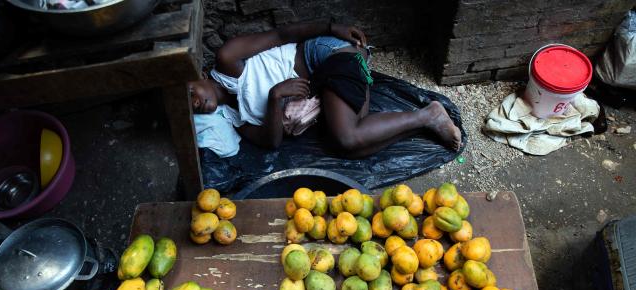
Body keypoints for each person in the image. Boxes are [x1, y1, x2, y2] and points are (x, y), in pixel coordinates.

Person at [189, 22, 461, 158]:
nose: (194, 103)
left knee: (347, 137)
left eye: (190, 92)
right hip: (322, 87)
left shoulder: (227, 59)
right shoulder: (232, 118)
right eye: (188, 106)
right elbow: (271, 143)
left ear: (200, 75)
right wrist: (275, 97)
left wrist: (331, 26)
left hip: (323, 54)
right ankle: (420, 126)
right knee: (348, 147)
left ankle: (428, 115)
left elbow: (281, 35)